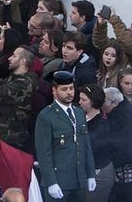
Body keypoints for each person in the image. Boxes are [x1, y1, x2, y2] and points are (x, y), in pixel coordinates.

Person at [34, 70, 96, 202]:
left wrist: (90, 174)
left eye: (71, 88)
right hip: (59, 180)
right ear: (54, 91)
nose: (69, 92)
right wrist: (51, 182)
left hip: (78, 179)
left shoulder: (79, 113)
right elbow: (44, 153)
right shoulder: (46, 116)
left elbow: (86, 146)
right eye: (64, 89)